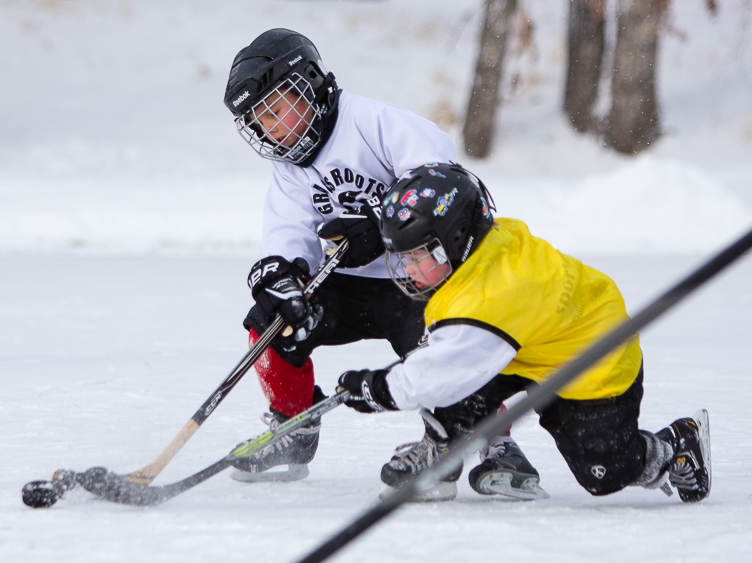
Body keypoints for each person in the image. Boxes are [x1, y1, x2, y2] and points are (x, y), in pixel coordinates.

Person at [222, 27, 543, 497]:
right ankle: (293, 428)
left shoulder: (376, 123)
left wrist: (382, 224)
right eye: (259, 121)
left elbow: (446, 187)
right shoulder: (288, 167)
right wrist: (282, 276)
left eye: (276, 109)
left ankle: (493, 441)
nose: (270, 128)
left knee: (448, 345)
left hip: (417, 282)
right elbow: (289, 231)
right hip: (347, 284)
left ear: (309, 84)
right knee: (274, 321)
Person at [336, 162, 711, 503]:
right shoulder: (478, 253)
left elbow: (435, 376)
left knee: (604, 472)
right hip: (528, 341)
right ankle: (441, 450)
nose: (407, 272)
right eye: (402, 258)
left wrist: (376, 388)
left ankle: (675, 446)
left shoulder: (491, 296)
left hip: (593, 353)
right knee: (462, 378)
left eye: (418, 257)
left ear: (457, 237)